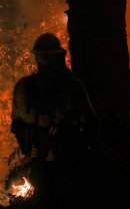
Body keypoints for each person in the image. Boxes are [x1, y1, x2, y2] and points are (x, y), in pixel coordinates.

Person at [10, 33, 98, 208]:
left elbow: (16, 124)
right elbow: (92, 125)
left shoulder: (23, 87)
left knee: (45, 198)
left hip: (42, 160)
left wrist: (30, 140)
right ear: (59, 56)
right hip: (65, 161)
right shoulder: (72, 87)